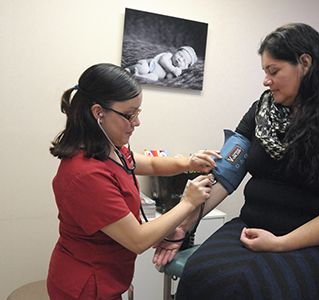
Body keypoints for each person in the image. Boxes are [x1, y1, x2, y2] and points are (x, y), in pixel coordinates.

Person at [153, 23, 319, 300]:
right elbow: (225, 176)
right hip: (250, 228)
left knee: (266, 289)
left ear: (304, 63)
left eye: (274, 71)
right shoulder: (259, 113)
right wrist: (183, 226)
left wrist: (282, 243)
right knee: (201, 274)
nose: (266, 80)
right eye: (265, 72)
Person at [46, 63, 220, 300]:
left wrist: (189, 162)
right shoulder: (85, 175)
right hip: (86, 286)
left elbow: (151, 164)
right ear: (99, 113)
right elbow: (137, 240)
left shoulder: (110, 148)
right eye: (130, 115)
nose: (136, 123)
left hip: (108, 278)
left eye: (137, 113)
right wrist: (188, 202)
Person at [125, 46, 197, 82]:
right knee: (144, 69)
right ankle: (129, 69)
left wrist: (180, 69)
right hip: (148, 64)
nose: (180, 59)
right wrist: (173, 69)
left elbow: (168, 77)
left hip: (152, 73)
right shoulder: (169, 56)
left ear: (186, 66)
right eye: (180, 55)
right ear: (176, 51)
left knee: (154, 78)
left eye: (184, 61)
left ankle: (137, 76)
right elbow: (162, 60)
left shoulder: (173, 71)